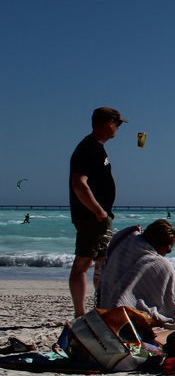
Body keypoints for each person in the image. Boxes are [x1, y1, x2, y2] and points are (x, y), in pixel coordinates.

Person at [68, 106, 126, 317]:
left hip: (100, 216)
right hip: (92, 216)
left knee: (102, 263)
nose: (118, 129)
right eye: (117, 124)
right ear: (108, 123)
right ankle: (80, 313)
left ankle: (100, 308)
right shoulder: (89, 147)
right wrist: (98, 211)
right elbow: (78, 183)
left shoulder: (97, 148)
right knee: (83, 263)